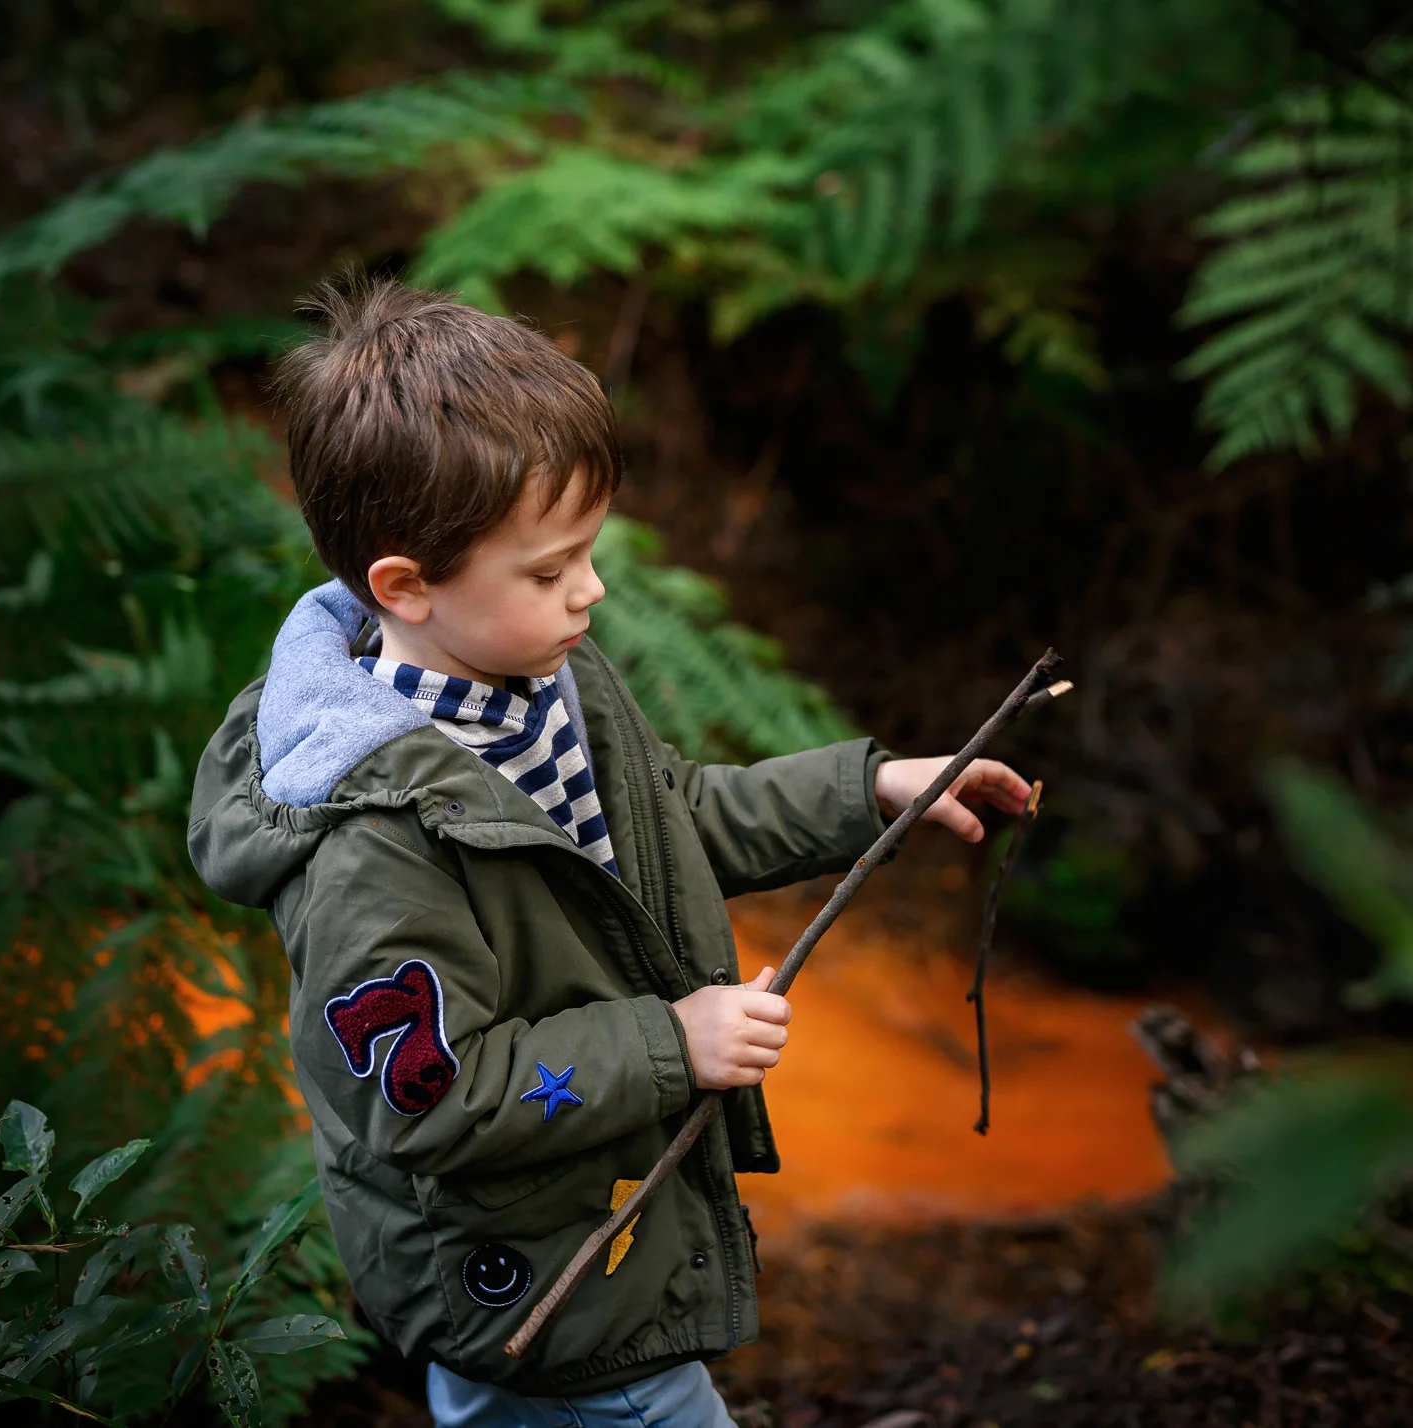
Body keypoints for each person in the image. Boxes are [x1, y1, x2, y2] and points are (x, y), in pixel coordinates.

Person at [188, 278, 1030, 1428]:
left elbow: (667, 822)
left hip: (594, 1221)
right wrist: (669, 1041)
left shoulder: (542, 680)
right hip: (533, 1276)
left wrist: (869, 789)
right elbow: (427, 1102)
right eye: (546, 571)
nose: (587, 592)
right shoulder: (370, 837)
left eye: (586, 553)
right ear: (403, 586)